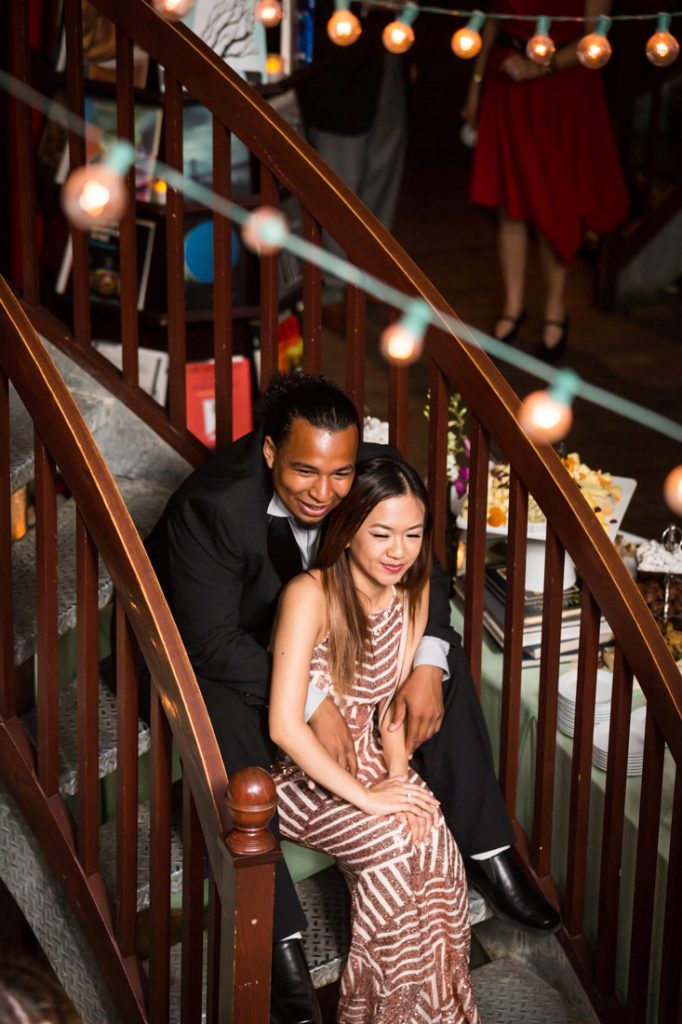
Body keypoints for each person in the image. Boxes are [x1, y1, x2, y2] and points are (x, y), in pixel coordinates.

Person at [145, 371, 559, 1024]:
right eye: (307, 471)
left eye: (340, 474)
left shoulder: (371, 473)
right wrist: (316, 695)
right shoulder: (213, 505)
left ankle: (488, 846)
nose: (326, 492)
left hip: (330, 635)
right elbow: (209, 641)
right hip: (223, 649)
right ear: (271, 451)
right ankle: (278, 941)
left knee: (433, 669)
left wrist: (426, 660)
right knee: (223, 712)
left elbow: (425, 570)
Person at [269, 456, 480, 1023]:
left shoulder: (409, 591)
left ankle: (437, 1015)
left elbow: (390, 711)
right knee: (391, 852)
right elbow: (284, 727)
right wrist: (370, 798)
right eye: (382, 533)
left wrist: (395, 776)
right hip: (300, 774)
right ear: (348, 527)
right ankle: (378, 1013)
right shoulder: (308, 594)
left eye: (413, 535)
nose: (400, 550)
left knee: (434, 842)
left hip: (372, 758)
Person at [461, 0, 629, 360]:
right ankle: (513, 307)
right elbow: (491, 22)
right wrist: (475, 86)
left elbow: (593, 39)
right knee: (511, 201)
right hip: (506, 78)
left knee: (556, 202)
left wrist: (541, 68)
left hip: (561, 91)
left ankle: (555, 310)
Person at [296, 0, 408, 313]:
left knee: (382, 170)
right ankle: (332, 289)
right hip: (337, 59)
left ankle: (370, 274)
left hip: (388, 47)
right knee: (339, 183)